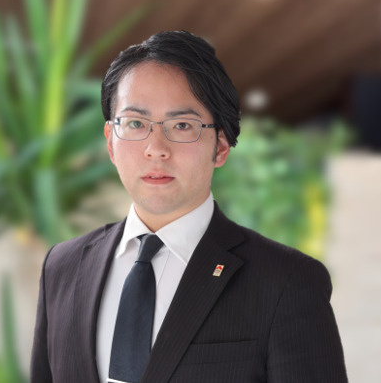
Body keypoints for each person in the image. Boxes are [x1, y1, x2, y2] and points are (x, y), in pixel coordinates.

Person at [30, 31, 348, 383]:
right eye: (135, 123)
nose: (156, 148)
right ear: (110, 142)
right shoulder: (62, 268)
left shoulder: (287, 282)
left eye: (182, 125)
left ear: (220, 146)